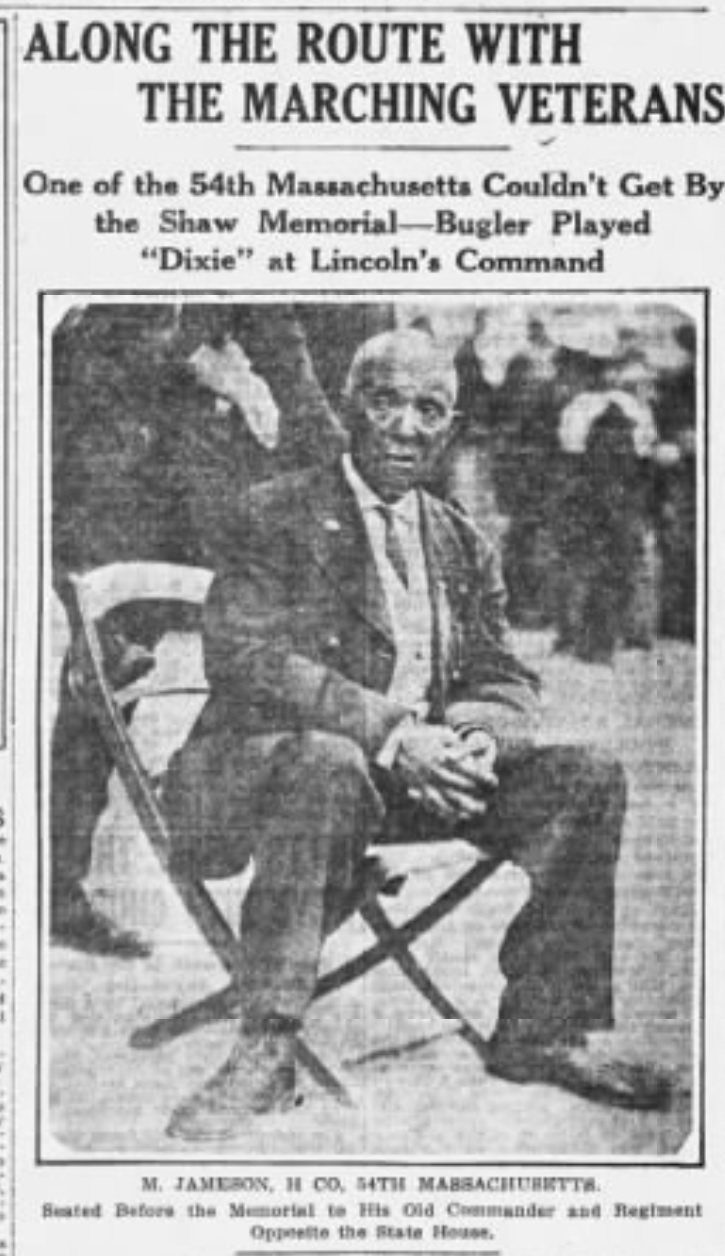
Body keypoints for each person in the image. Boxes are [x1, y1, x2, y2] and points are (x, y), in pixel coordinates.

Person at [162, 328, 671, 1141]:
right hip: (253, 775)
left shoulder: (460, 540)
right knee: (330, 761)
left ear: (450, 425)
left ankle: (541, 1028)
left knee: (587, 776)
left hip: (399, 780)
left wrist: (474, 736)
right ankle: (267, 1043)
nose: (404, 426)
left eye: (428, 409)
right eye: (385, 402)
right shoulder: (276, 511)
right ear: (350, 407)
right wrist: (398, 734)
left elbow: (499, 675)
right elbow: (248, 659)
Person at [51, 303, 345, 958]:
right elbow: (77, 346)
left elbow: (276, 334)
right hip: (92, 464)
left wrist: (335, 447)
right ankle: (56, 887)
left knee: (283, 621)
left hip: (187, 463)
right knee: (98, 676)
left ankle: (318, 841)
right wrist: (202, 366)